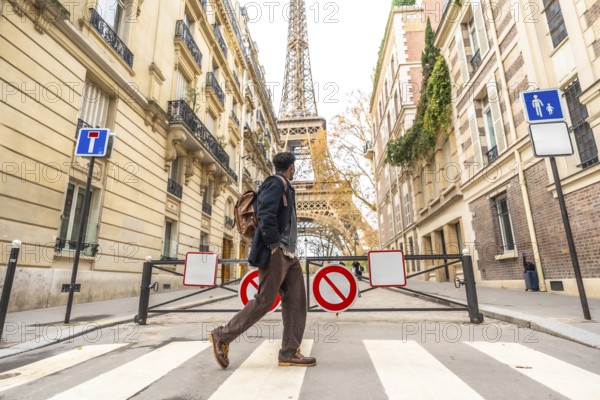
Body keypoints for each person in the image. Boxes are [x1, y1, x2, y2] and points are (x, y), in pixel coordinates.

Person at [209, 152, 316, 369]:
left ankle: (289, 352)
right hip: (276, 251)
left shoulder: (285, 185)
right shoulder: (274, 183)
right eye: (294, 167)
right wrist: (274, 245)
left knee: (296, 302)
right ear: (292, 167)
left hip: (289, 254)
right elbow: (265, 214)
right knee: (265, 300)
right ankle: (222, 335)